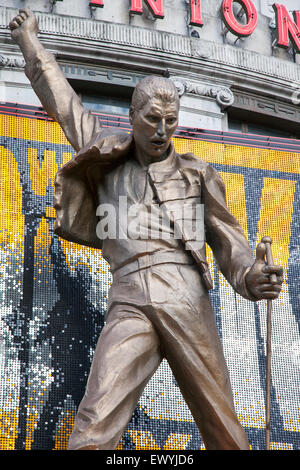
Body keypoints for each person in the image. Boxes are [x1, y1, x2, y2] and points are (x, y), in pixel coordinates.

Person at [9, 9, 283, 451]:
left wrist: (253, 277)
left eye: (170, 120)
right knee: (94, 425)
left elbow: (229, 244)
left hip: (186, 295)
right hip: (130, 298)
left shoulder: (197, 175)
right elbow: (63, 103)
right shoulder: (107, 157)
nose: (161, 130)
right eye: (152, 118)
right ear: (132, 115)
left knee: (224, 431)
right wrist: (29, 43)